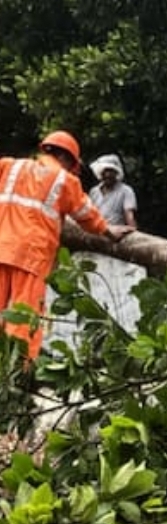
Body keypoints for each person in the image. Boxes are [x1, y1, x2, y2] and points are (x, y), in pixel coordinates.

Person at [0, 131, 134, 362]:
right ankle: (15, 375)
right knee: (23, 319)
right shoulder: (64, 180)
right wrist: (107, 230)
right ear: (69, 159)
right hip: (32, 256)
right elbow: (85, 213)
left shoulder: (9, 166)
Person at [88, 154, 137, 227]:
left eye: (111, 171)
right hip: (95, 231)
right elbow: (89, 213)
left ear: (116, 173)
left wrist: (133, 233)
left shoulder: (126, 191)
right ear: (101, 173)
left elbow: (129, 215)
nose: (107, 175)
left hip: (116, 233)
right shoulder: (94, 192)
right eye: (105, 171)